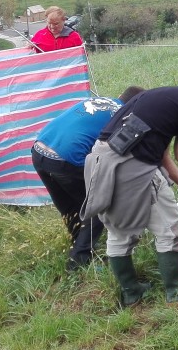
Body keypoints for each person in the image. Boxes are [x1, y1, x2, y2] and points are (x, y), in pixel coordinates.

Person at [81, 79, 178, 307]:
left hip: (102, 160)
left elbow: (161, 154)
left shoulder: (160, 95)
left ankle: (132, 292)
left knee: (119, 231)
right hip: (133, 165)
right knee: (171, 227)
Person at [31, 86, 144, 271]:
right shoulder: (122, 114)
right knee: (98, 206)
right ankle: (78, 262)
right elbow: (117, 152)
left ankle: (79, 243)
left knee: (70, 207)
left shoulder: (99, 101)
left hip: (39, 150)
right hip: (66, 158)